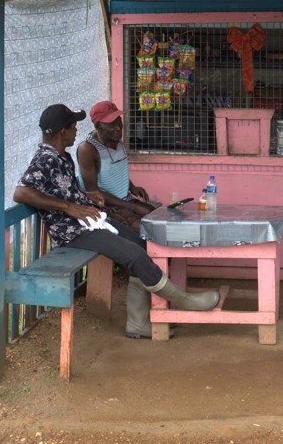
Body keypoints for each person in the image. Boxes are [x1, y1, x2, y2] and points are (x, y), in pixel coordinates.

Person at [13, 104, 220, 339]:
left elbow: (65, 191)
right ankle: (184, 301)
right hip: (72, 232)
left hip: (90, 220)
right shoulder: (45, 159)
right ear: (63, 132)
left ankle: (137, 322)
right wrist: (69, 207)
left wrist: (86, 197)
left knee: (141, 246)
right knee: (135, 256)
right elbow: (22, 193)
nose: (75, 131)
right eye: (73, 127)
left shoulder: (63, 157)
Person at [77, 101, 157, 233]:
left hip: (124, 200)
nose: (118, 128)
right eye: (111, 124)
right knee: (148, 230)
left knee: (157, 217)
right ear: (98, 126)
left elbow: (116, 169)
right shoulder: (87, 149)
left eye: (119, 121)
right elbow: (93, 193)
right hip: (104, 206)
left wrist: (132, 187)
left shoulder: (117, 141)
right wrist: (132, 206)